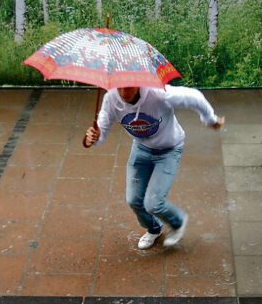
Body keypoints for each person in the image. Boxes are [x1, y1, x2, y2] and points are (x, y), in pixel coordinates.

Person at [84, 85, 224, 250]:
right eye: (120, 88)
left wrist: (210, 119)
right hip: (141, 149)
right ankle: (154, 228)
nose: (123, 93)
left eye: (129, 88)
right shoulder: (111, 98)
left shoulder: (158, 94)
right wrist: (92, 138)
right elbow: (100, 133)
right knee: (134, 201)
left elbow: (194, 97)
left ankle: (177, 221)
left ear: (138, 84)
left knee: (154, 203)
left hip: (169, 150)